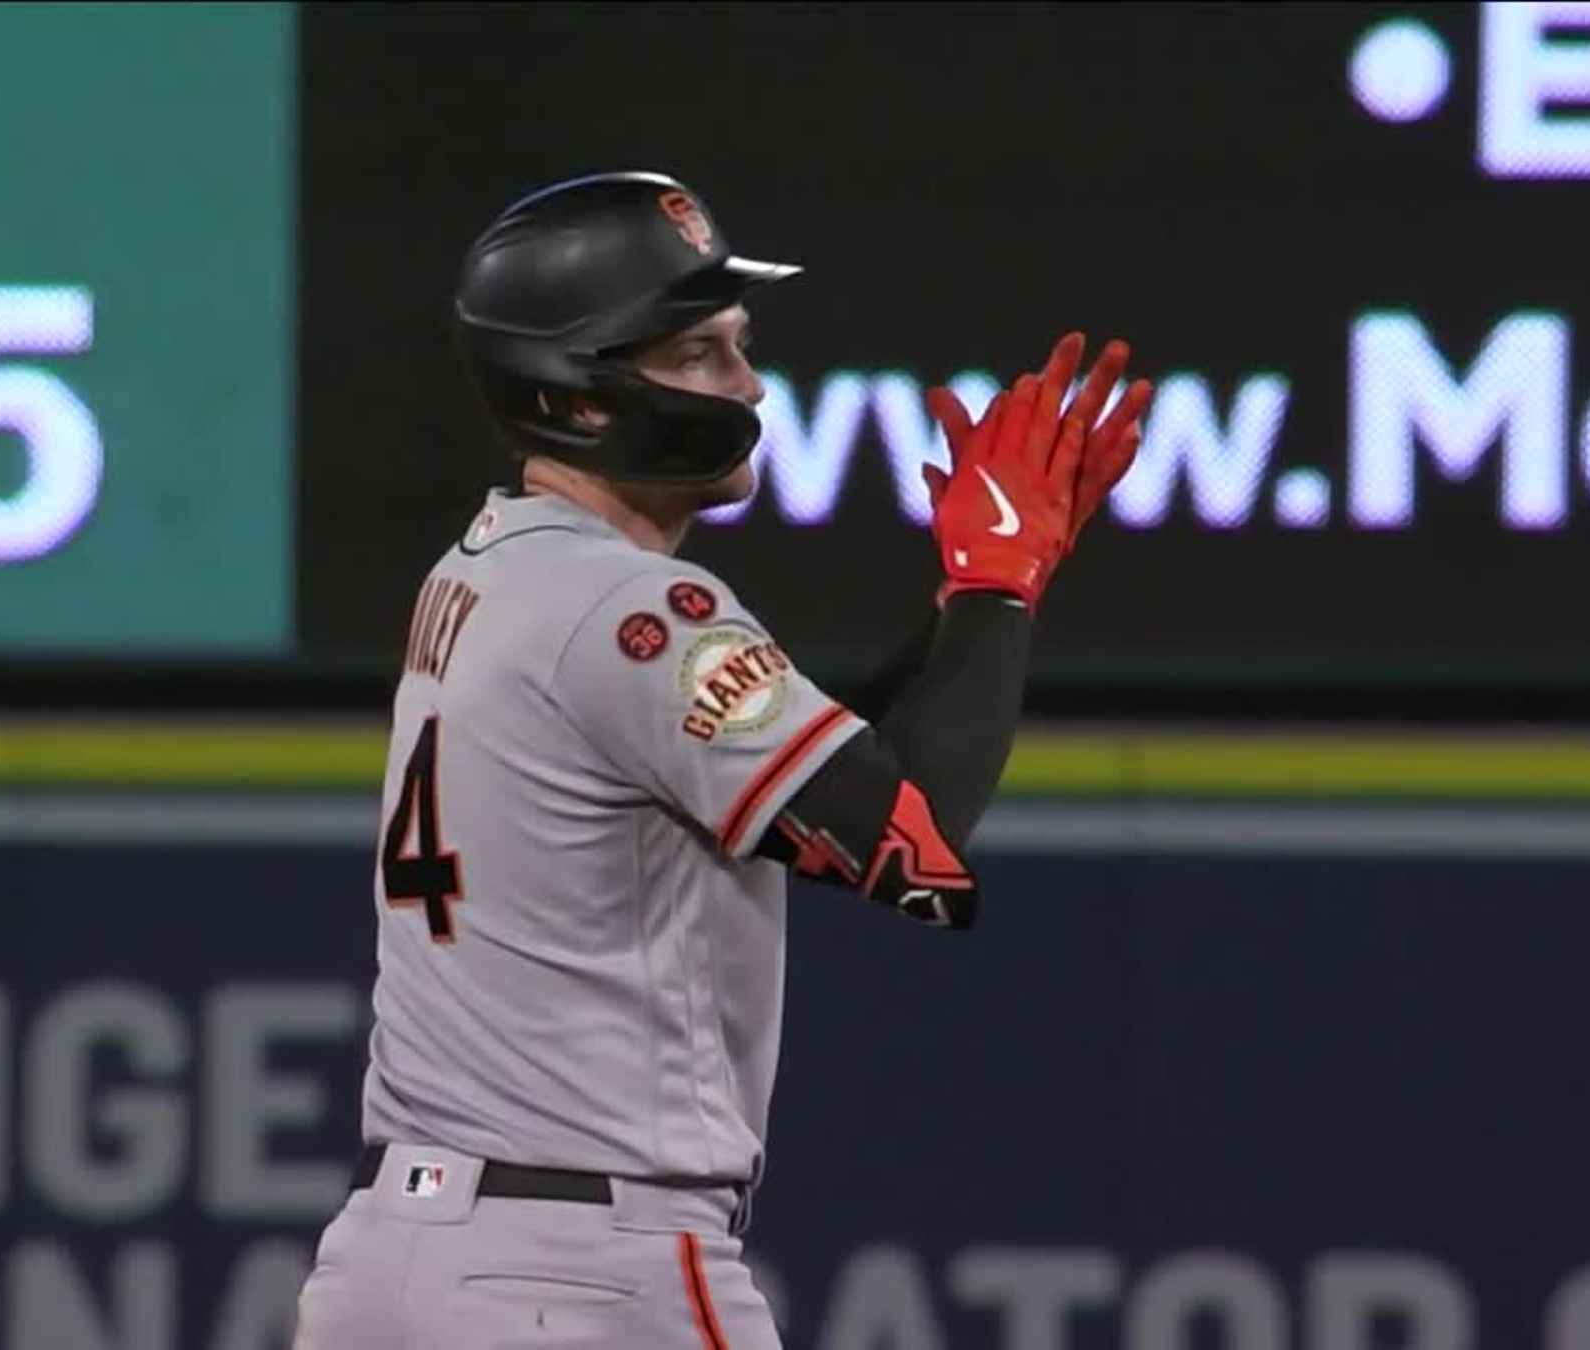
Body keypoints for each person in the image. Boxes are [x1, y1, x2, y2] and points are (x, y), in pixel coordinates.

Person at [290, 169, 1152, 1349]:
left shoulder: (492, 568)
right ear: (580, 403)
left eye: (737, 347)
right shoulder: (632, 607)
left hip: (395, 1264)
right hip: (582, 1276)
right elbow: (911, 839)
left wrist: (972, 601)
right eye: (697, 356)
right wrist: (999, 587)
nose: (746, 386)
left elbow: (814, 781)